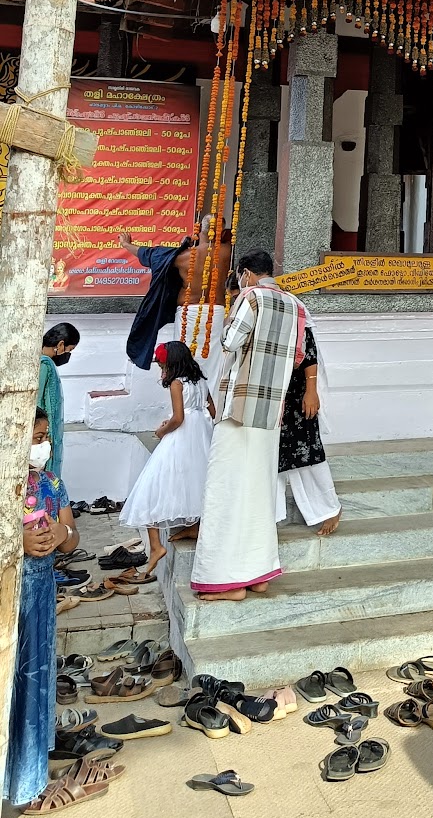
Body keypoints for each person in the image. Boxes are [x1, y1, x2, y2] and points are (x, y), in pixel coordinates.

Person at [190, 250, 304, 603]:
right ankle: (258, 574)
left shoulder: (251, 297)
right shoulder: (295, 305)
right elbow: (299, 357)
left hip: (239, 408)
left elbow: (230, 341)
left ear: (246, 274)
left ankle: (228, 581)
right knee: (257, 492)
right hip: (270, 412)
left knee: (225, 491)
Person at [6, 409, 79, 811]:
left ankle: (28, 779)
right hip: (10, 599)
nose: (42, 445)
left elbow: (72, 538)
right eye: (35, 437)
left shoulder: (52, 484)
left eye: (45, 436)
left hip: (40, 601)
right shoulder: (6, 485)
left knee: (32, 682)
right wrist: (16, 540)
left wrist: (60, 532)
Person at [119, 341, 215, 579]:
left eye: (162, 364)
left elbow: (179, 418)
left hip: (181, 438)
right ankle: (195, 526)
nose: (161, 369)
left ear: (171, 363)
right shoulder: (200, 380)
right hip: (202, 434)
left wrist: (162, 431)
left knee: (153, 486)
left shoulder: (176, 383)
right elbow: (212, 410)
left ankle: (155, 546)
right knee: (197, 479)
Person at [119, 215, 231, 371]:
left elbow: (151, 255)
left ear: (200, 231)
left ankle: (184, 392)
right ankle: (211, 395)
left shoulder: (184, 257)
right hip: (216, 313)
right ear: (221, 232)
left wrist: (126, 244)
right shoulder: (227, 252)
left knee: (183, 360)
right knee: (215, 363)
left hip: (188, 313)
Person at [277, 319, 342, 537]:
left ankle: (330, 507)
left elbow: (310, 356)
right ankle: (269, 516)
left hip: (298, 397)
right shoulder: (255, 312)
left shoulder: (296, 318)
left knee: (309, 453)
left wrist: (311, 392)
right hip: (271, 398)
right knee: (271, 458)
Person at [36, 322, 79, 481]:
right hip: (42, 433)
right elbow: (38, 404)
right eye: (70, 349)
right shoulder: (44, 365)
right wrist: (44, 439)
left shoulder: (43, 362)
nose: (68, 353)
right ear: (61, 345)